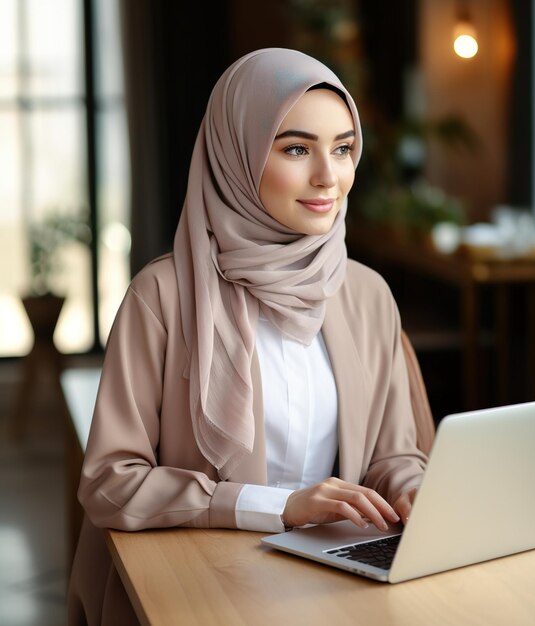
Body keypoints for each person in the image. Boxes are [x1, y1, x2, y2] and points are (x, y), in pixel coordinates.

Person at [67, 47, 429, 625]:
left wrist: (413, 491)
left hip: (343, 579)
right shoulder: (162, 296)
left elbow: (394, 454)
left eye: (342, 149)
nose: (328, 177)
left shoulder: (364, 294)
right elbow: (111, 484)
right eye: (295, 149)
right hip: (202, 581)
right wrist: (279, 507)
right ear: (236, 154)